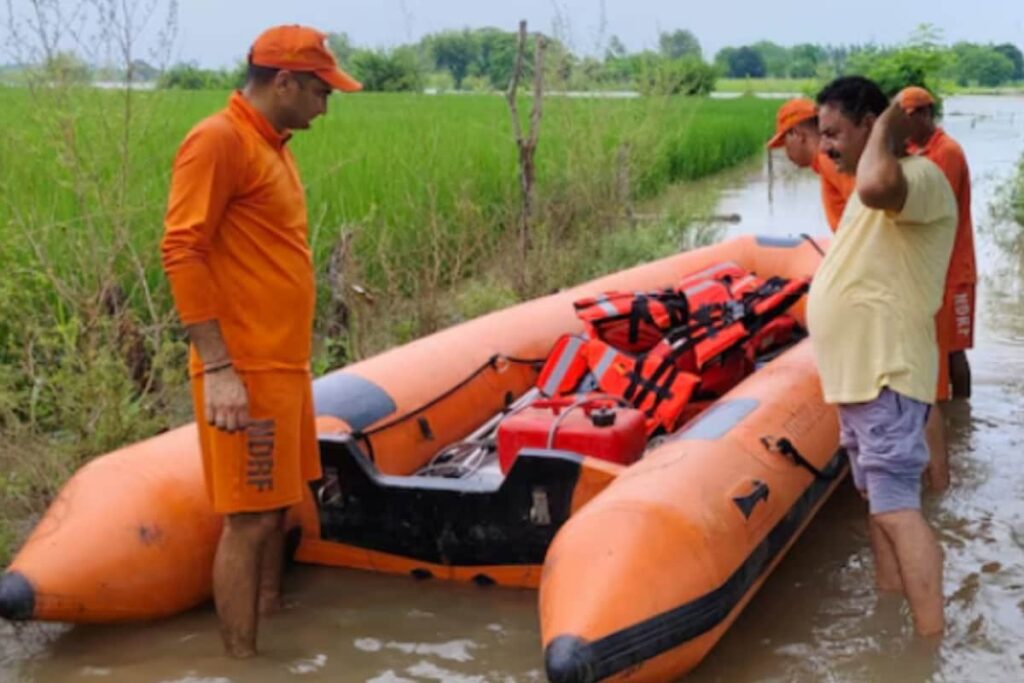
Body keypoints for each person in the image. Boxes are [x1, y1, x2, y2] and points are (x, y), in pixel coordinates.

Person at [161, 25, 361, 657]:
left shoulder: (273, 144)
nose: (326, 106)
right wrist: (219, 368)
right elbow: (182, 248)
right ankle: (242, 664)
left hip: (283, 364)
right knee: (247, 521)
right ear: (285, 82)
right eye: (322, 92)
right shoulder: (218, 140)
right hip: (243, 366)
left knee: (275, 509)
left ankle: (272, 624)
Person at [807, 76, 956, 637]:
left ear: (871, 126)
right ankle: (892, 622)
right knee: (880, 507)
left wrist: (892, 118)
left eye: (835, 133)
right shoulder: (872, 185)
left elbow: (874, 185)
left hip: (886, 374)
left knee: (897, 509)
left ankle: (929, 645)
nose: (826, 147)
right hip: (860, 382)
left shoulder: (916, 179)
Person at [899, 85, 977, 492]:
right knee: (944, 348)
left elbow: (929, 207)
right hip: (938, 269)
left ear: (922, 114)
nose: (901, 126)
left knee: (952, 349)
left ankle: (959, 416)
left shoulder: (945, 154)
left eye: (904, 117)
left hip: (953, 269)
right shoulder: (927, 151)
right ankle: (955, 417)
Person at [766, 97, 855, 232]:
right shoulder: (828, 160)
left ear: (797, 134)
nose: (786, 151)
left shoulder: (828, 160)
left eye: (785, 142)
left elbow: (865, 206)